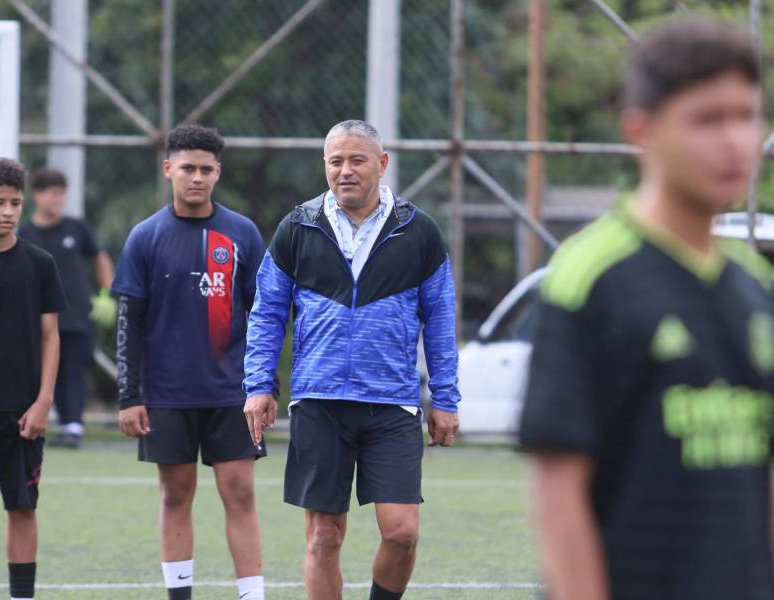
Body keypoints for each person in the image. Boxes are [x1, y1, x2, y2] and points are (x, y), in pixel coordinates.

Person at [519, 18, 774, 600]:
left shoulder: (754, 285)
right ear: (642, 131)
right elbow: (558, 488)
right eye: (708, 119)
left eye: (747, 115)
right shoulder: (590, 276)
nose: (736, 140)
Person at [244, 119, 461, 600]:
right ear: (325, 165)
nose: (345, 170)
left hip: (392, 403)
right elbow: (266, 312)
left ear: (381, 165)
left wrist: (445, 396)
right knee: (324, 536)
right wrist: (259, 385)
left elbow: (441, 317)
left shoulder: (418, 230)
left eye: (357, 160)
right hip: (319, 400)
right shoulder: (297, 226)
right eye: (335, 161)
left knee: (402, 532)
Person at [112, 125, 267, 600]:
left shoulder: (242, 233)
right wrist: (129, 395)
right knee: (175, 494)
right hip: (167, 395)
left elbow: (263, 316)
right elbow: (129, 323)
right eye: (187, 169)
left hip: (231, 395)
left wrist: (266, 388)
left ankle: (252, 595)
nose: (196, 178)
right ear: (168, 171)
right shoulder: (145, 237)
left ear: (218, 172)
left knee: (240, 493)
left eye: (205, 170)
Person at [0, 157, 66, 600]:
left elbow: (50, 337)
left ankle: (21, 596)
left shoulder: (40, 263)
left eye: (15, 202)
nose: (8, 211)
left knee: (22, 507)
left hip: (25, 412)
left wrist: (44, 400)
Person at [19, 168, 115, 449]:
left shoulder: (77, 227)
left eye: (62, 194)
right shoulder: (25, 233)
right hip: (37, 319)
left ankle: (73, 427)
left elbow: (100, 257)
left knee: (74, 370)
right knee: (37, 372)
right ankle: (31, 422)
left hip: (76, 317)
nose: (58, 199)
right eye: (52, 193)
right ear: (37, 195)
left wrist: (107, 293)